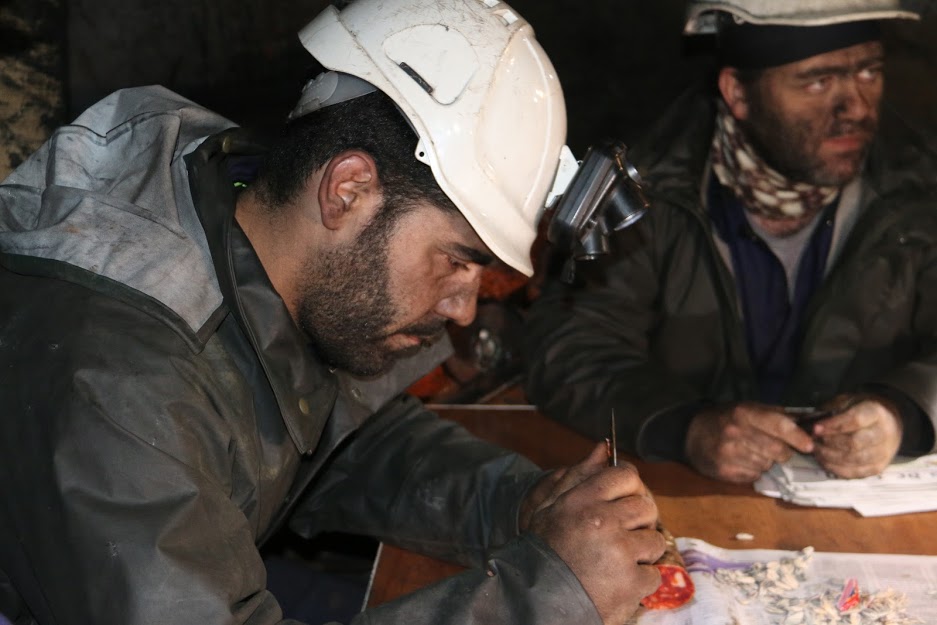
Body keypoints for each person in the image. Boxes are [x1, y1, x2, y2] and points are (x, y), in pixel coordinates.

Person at [0, 1, 668, 623]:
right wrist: (544, 593)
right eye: (457, 259)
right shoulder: (116, 386)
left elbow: (337, 441)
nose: (465, 309)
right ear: (347, 190)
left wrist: (519, 503)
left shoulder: (251, 226)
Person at [524, 0, 937, 485]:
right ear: (738, 92)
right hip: (684, 499)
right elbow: (569, 349)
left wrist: (903, 411)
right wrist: (686, 426)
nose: (857, 107)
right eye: (819, 82)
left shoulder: (918, 189)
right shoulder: (646, 196)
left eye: (869, 72)